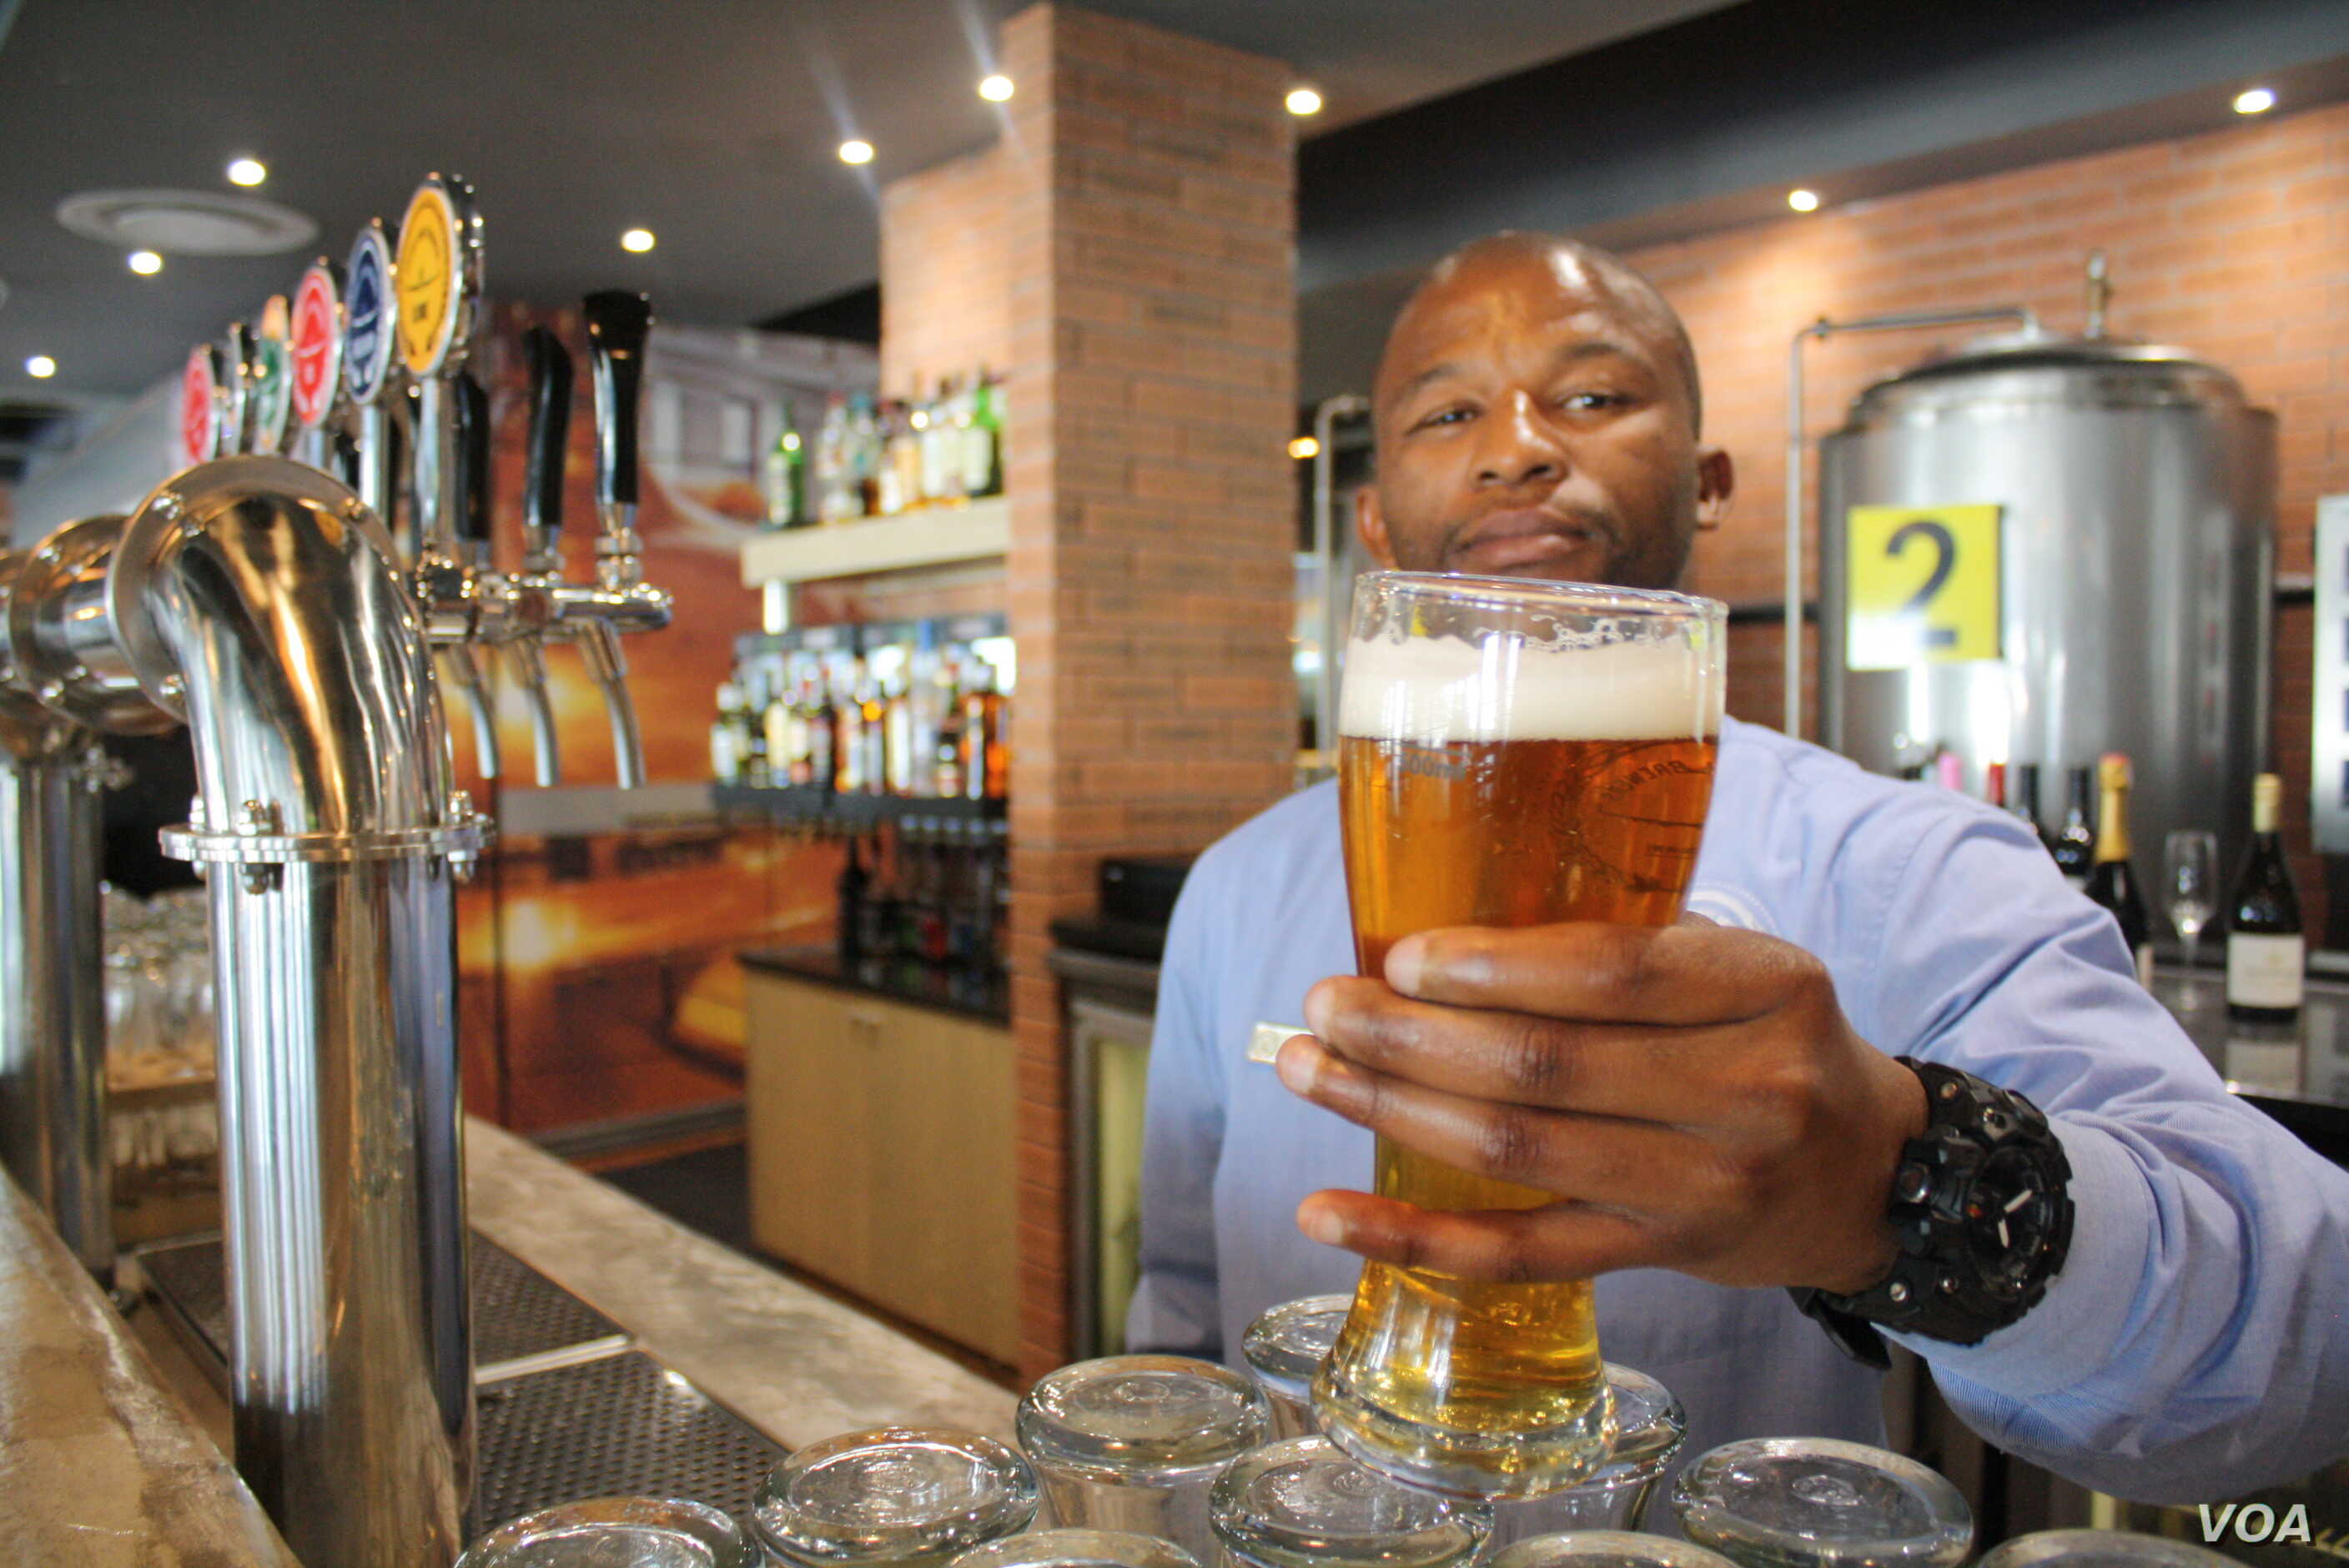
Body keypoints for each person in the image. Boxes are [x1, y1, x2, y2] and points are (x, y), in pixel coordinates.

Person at [1127, 232, 2349, 1500]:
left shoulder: (1897, 865)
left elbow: (2303, 1346)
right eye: (1449, 412)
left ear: (1707, 481)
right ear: (1373, 522)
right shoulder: (1236, 888)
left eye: (1594, 395)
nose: (1517, 446)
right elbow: (1182, 1306)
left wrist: (1894, 1180)